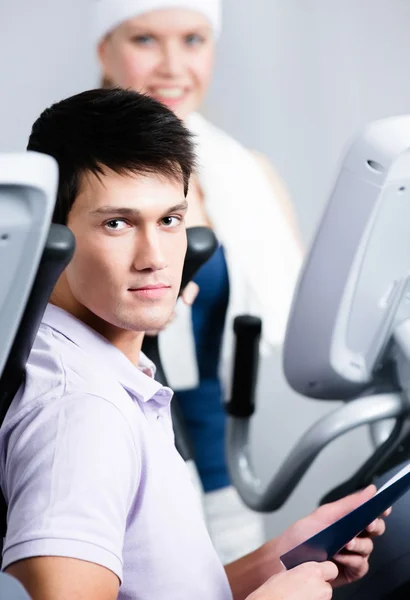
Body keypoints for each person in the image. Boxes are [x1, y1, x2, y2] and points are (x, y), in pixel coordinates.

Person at [0, 88, 388, 600]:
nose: (155, 257)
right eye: (117, 223)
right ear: (56, 233)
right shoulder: (82, 409)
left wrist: (281, 556)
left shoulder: (108, 373)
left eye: (170, 220)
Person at [93, 0, 303, 563]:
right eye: (144, 40)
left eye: (192, 40)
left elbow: (306, 321)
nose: (172, 66)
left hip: (228, 470)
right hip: (125, 480)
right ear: (103, 50)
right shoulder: (73, 185)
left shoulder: (248, 175)